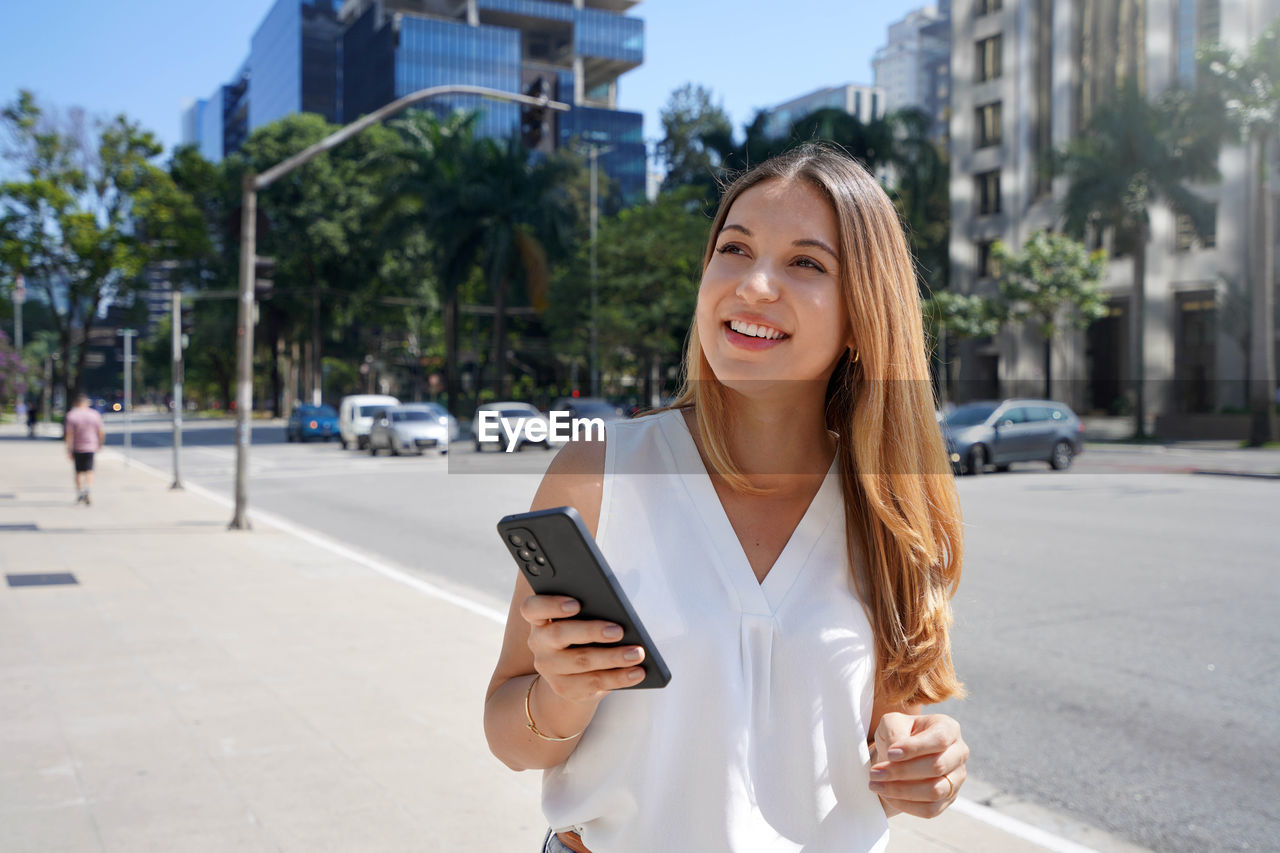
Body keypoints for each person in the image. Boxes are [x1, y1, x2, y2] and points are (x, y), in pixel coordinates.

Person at [484, 144, 968, 853]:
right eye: (734, 249)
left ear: (865, 316)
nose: (754, 284)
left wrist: (930, 761)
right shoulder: (600, 470)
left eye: (807, 262)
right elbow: (509, 736)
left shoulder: (891, 508)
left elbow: (896, 725)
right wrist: (565, 690)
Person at [64, 394, 105, 505]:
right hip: (91, 447)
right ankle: (88, 490)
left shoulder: (71, 415)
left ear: (76, 403)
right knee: (89, 470)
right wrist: (100, 444)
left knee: (78, 472)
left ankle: (79, 492)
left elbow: (69, 434)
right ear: (86, 403)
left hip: (77, 447)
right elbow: (101, 432)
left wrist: (68, 449)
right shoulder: (94, 414)